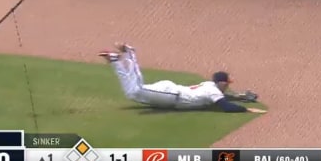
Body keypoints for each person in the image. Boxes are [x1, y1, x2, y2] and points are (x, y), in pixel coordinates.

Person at [98, 43, 267, 113]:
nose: (228, 86)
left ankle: (115, 61)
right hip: (171, 95)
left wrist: (240, 97)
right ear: (221, 82)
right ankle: (130, 53)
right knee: (138, 89)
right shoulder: (212, 90)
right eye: (227, 83)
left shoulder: (210, 86)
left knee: (131, 93)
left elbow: (224, 97)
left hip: (170, 95)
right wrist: (246, 109)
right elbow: (225, 106)